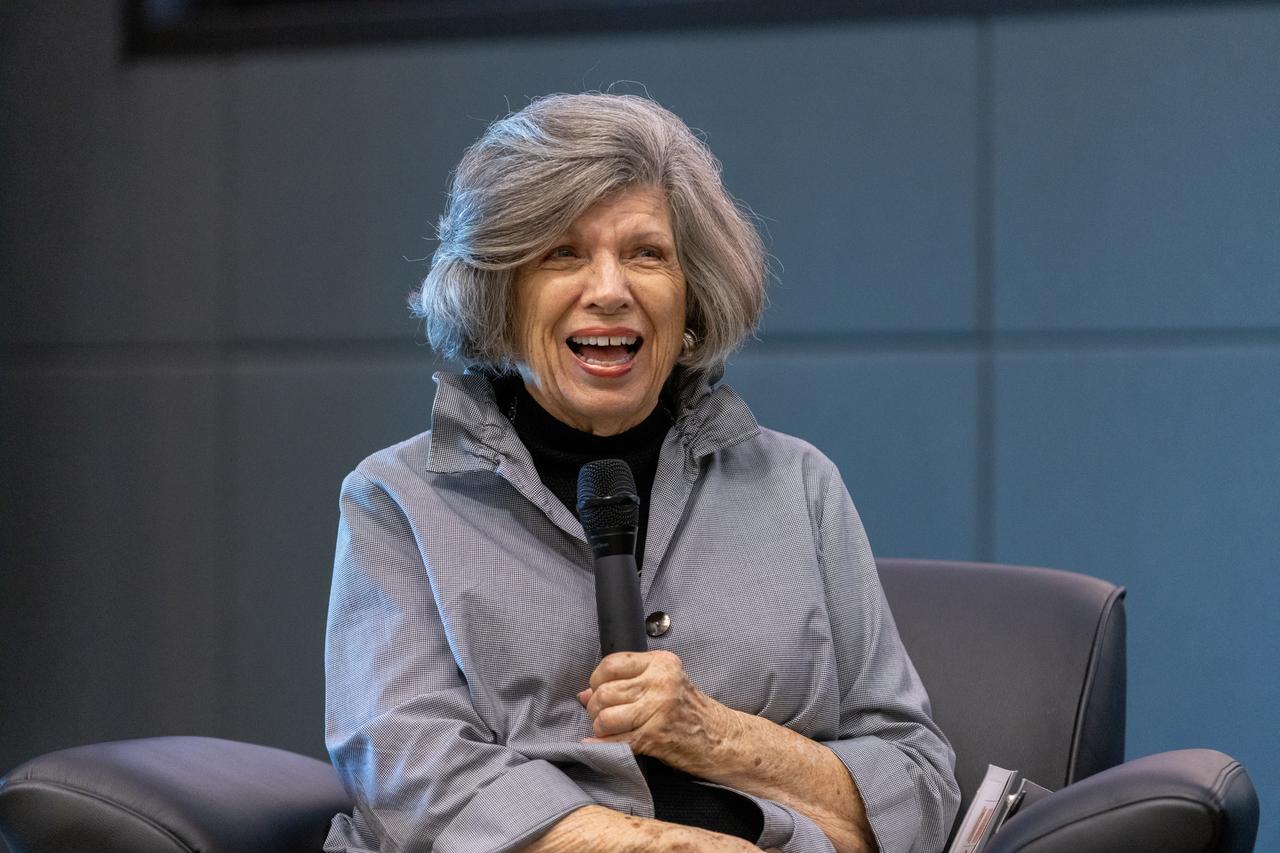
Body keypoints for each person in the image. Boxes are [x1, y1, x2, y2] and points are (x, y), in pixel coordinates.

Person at [324, 92, 959, 853]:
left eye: (646, 253)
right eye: (562, 253)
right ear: (498, 292)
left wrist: (715, 735)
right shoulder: (398, 499)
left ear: (693, 295)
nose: (609, 290)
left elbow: (917, 787)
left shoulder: (798, 486)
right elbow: (410, 775)